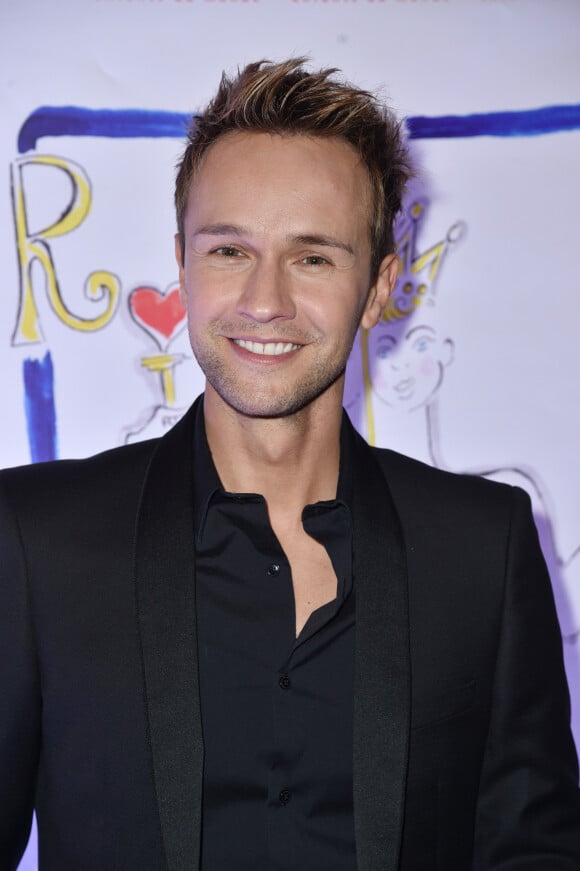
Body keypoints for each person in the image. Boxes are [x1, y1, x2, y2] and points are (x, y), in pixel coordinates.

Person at [1, 58, 579, 871]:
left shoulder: (484, 548)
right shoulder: (36, 541)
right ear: (182, 263)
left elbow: (534, 850)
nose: (265, 300)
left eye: (313, 257)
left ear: (379, 286)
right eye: (230, 250)